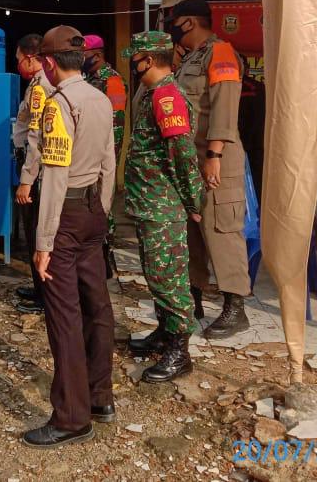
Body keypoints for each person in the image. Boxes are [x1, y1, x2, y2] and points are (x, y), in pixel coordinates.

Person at [21, 25, 116, 449]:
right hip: (95, 208)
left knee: (63, 315)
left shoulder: (58, 106)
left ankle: (71, 417)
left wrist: (44, 243)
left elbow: (55, 175)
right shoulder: (100, 97)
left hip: (66, 212)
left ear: (48, 63)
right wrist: (104, 210)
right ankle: (100, 397)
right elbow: (112, 160)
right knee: (96, 304)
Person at [164, 0, 250, 338]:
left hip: (218, 158)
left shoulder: (221, 53)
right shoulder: (190, 59)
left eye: (175, 21)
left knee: (221, 229)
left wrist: (214, 154)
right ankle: (193, 295)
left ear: (189, 23)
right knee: (191, 230)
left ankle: (235, 306)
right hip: (190, 158)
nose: (171, 28)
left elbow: (224, 106)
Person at [122, 32, 204, 382]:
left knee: (169, 279)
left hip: (162, 204)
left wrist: (192, 199)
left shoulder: (167, 97)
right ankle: (165, 332)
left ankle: (179, 351)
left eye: (136, 59)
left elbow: (182, 154)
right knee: (156, 275)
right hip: (148, 202)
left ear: (150, 60)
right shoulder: (153, 94)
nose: (132, 65)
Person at [13, 33, 54, 314]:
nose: (18, 65)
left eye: (18, 59)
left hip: (35, 170)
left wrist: (27, 179)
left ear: (30, 58)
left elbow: (37, 137)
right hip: (33, 166)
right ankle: (40, 287)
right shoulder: (39, 85)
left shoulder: (40, 88)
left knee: (37, 231)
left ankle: (45, 295)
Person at [81, 35, 127, 161]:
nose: (80, 58)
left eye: (82, 54)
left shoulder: (113, 81)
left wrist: (109, 160)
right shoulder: (87, 78)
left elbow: (116, 124)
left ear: (97, 56)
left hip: (101, 154)